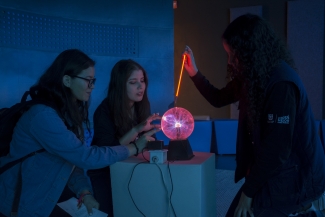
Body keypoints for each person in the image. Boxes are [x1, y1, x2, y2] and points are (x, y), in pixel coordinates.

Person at [183, 14, 325, 217]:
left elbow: (276, 150)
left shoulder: (282, 84)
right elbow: (218, 98)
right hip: (273, 170)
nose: (231, 61)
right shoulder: (252, 76)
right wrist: (194, 72)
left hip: (294, 174)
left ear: (252, 52)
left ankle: (306, 211)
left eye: (234, 54)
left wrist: (248, 193)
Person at [0, 50, 158, 217]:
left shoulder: (67, 114)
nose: (93, 86)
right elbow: (85, 156)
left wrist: (84, 192)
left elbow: (70, 161)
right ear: (67, 80)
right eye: (88, 81)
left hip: (43, 199)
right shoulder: (43, 116)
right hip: (20, 204)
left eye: (93, 80)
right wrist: (133, 147)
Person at [87, 59, 160, 216]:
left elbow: (142, 144)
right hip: (105, 173)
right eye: (133, 82)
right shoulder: (104, 112)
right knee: (111, 211)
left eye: (142, 81)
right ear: (120, 85)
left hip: (130, 169)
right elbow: (109, 152)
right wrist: (136, 130)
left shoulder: (141, 106)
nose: (141, 87)